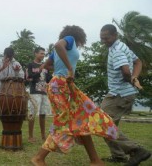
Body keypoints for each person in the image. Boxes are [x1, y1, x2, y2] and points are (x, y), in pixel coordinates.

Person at [31, 25, 118, 166]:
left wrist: (62, 68)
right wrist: (69, 68)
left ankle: (95, 160)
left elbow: (45, 66)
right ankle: (39, 158)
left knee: (80, 118)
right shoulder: (69, 40)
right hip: (60, 85)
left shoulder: (60, 51)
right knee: (64, 122)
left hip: (64, 84)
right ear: (78, 36)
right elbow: (58, 45)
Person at [100, 24, 151, 166]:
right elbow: (138, 61)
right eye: (102, 38)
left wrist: (132, 78)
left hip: (119, 94)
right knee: (109, 125)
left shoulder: (117, 51)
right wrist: (135, 78)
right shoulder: (122, 46)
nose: (104, 41)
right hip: (123, 93)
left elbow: (126, 71)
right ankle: (119, 156)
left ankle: (136, 150)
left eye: (107, 38)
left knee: (102, 123)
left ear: (115, 35)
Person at [0, 47, 24, 145]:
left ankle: (11, 137)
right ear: (4, 54)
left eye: (11, 56)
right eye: (7, 56)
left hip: (12, 95)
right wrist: (2, 67)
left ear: (13, 55)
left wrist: (17, 72)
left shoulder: (16, 63)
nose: (9, 58)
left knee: (12, 115)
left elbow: (21, 77)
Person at [26, 47, 51, 143]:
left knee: (43, 114)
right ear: (35, 53)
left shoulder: (46, 66)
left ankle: (43, 136)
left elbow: (48, 78)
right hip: (34, 92)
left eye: (44, 54)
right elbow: (29, 76)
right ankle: (30, 136)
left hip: (44, 92)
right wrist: (39, 70)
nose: (43, 55)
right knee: (32, 113)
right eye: (41, 53)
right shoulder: (31, 64)